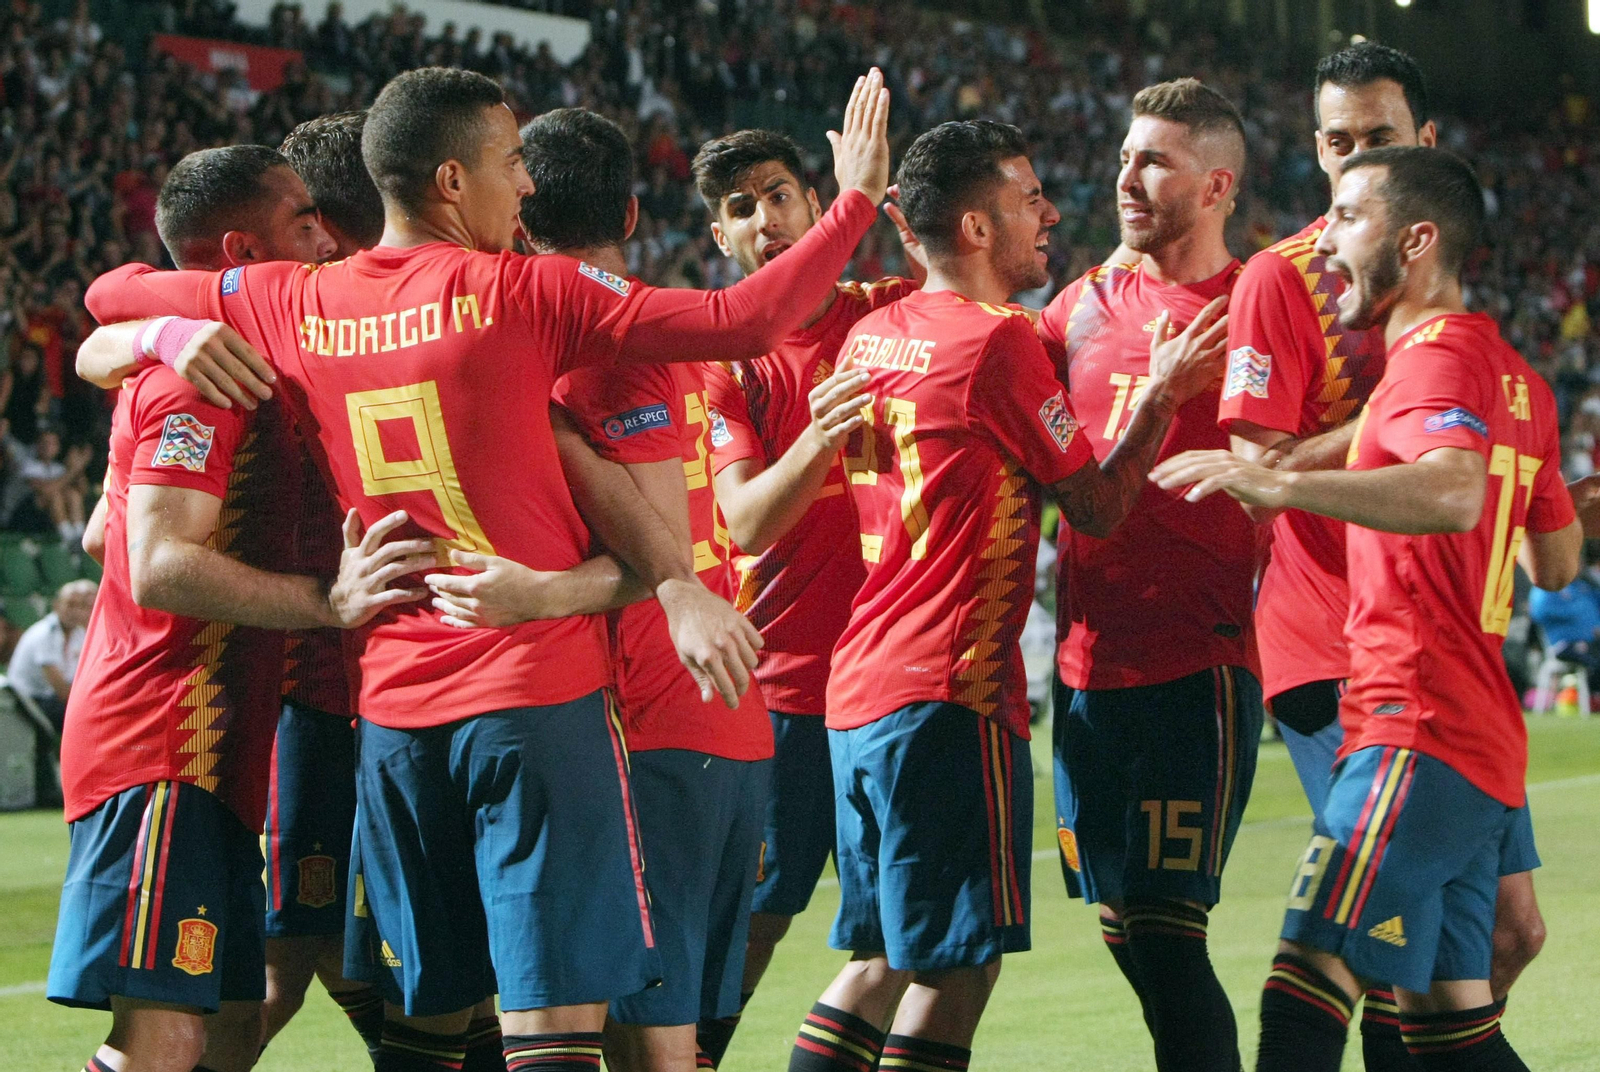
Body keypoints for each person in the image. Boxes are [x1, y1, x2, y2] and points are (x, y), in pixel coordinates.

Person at [83, 65, 892, 1072]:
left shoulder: (293, 300)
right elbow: (747, 322)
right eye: (512, 162)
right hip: (534, 704)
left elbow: (110, 287)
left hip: (395, 715)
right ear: (454, 179)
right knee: (551, 1032)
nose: (526, 185)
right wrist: (853, 195)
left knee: (430, 1033)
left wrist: (165, 328)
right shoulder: (522, 292)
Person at [793, 118, 1224, 1072]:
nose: (1051, 213)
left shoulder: (874, 333)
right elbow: (1101, 508)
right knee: (960, 966)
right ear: (979, 228)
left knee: (877, 963)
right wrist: (1160, 394)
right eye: (1029, 198)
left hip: (858, 690)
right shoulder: (999, 347)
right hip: (949, 692)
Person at [1153, 145, 1582, 1072]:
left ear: (1417, 240)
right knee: (1446, 1024)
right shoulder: (1520, 381)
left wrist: (1281, 491)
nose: (1325, 244)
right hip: (1478, 740)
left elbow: (1454, 490)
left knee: (1305, 978)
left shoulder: (1431, 364)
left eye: (1348, 218)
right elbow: (1557, 561)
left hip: (1414, 724)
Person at [46, 144, 429, 1072]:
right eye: (301, 220)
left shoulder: (226, 360)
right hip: (161, 742)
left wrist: (140, 339)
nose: (322, 238)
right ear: (237, 249)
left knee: (222, 1021)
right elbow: (156, 565)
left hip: (217, 750)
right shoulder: (203, 380)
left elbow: (107, 533)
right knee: (164, 1034)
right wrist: (325, 600)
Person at [1217, 45, 1547, 1054]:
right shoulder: (1287, 278)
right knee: (1386, 968)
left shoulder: (1448, 344)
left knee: (1492, 944)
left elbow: (1468, 494)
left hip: (1432, 683)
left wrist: (1307, 465)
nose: (1347, 159)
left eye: (1376, 141)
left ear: (1424, 159)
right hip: (1344, 657)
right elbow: (1254, 462)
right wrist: (1314, 462)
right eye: (1334, 142)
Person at [515, 107, 775, 1072]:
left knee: (654, 1047)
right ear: (631, 214)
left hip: (653, 722)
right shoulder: (656, 332)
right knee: (670, 1045)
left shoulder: (596, 350)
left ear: (514, 220)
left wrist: (531, 597)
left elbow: (660, 552)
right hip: (721, 717)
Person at [1035, 78, 1257, 1072]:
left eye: (1154, 159)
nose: (1126, 173)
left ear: (1215, 185)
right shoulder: (1075, 306)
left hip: (1195, 665)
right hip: (1082, 674)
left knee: (1169, 934)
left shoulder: (1261, 307)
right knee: (1123, 926)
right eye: (1125, 154)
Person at [691, 127, 914, 1065]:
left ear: (818, 205)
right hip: (783, 687)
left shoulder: (893, 309)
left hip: (900, 677)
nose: (765, 219)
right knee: (757, 917)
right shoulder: (723, 358)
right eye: (741, 208)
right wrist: (818, 437)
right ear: (719, 237)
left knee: (905, 932)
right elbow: (744, 520)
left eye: (778, 193)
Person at [7, 577, 96, 805]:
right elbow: (62, 689)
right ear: (56, 605)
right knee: (86, 720)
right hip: (23, 703)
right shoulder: (43, 634)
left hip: (51, 700)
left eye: (80, 606)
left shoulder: (78, 635)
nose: (74, 611)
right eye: (69, 604)